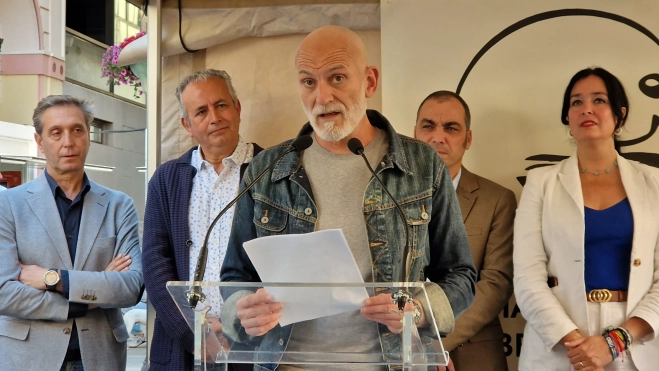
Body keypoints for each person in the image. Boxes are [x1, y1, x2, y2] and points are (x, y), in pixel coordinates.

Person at [219, 25, 476, 371]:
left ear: (369, 81)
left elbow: (459, 274)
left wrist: (417, 310)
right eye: (308, 81)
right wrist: (241, 310)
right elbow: (236, 275)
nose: (322, 97)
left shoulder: (423, 166)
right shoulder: (267, 168)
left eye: (337, 78)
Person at [514, 67, 659, 371]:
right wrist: (576, 345)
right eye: (576, 102)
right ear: (567, 118)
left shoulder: (654, 182)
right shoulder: (541, 182)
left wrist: (613, 342)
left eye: (599, 100)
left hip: (634, 342)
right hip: (559, 346)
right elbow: (527, 279)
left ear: (620, 116)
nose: (587, 109)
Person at [0, 95, 143, 371]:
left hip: (100, 358)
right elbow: (4, 292)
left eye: (77, 130)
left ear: (88, 136)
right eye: (56, 132)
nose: (68, 142)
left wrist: (52, 279)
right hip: (27, 358)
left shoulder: (118, 205)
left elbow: (130, 287)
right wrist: (85, 302)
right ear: (40, 142)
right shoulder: (8, 205)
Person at [142, 69, 262, 371]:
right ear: (187, 124)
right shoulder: (166, 179)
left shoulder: (272, 171)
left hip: (255, 346)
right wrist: (193, 331)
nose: (214, 117)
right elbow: (155, 263)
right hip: (180, 349)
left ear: (237, 108)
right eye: (201, 111)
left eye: (221, 105)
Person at [414, 91, 515, 371]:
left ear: (468, 139)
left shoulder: (497, 200)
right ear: (414, 135)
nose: (437, 137)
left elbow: (495, 284)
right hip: (402, 353)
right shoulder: (387, 196)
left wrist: (434, 342)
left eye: (451, 128)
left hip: (472, 355)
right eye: (428, 126)